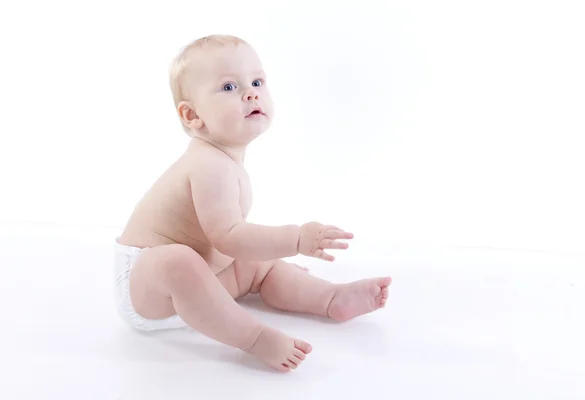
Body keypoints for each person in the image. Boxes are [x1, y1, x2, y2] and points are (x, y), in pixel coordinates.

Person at [114, 35, 391, 372]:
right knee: (180, 260)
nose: (251, 93)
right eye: (229, 87)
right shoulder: (207, 164)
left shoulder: (227, 159)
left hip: (207, 281)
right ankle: (254, 338)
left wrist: (270, 253)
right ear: (192, 115)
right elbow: (228, 235)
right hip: (149, 289)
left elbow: (232, 244)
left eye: (257, 82)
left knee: (263, 265)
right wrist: (296, 239)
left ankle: (329, 297)